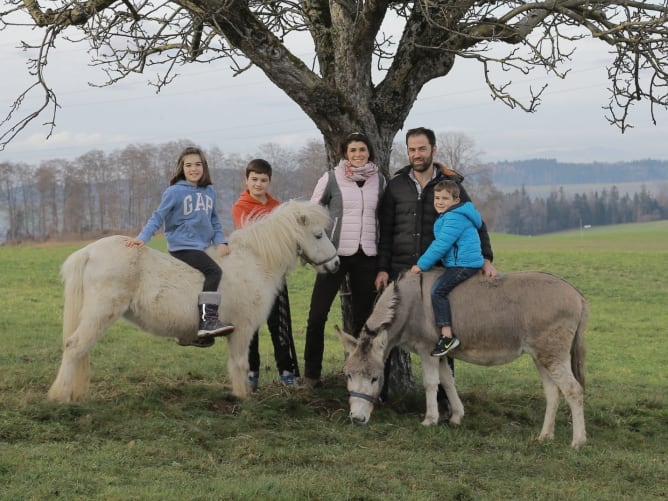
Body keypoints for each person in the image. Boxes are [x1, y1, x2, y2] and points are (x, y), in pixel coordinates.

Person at [374, 127, 496, 399]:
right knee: (390, 332)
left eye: (422, 149)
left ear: (433, 149)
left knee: (442, 327)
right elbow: (385, 232)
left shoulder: (451, 187)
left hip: (439, 269)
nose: (416, 154)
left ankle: (444, 398)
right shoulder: (396, 186)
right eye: (412, 150)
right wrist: (382, 268)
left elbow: (476, 222)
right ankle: (381, 393)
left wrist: (486, 258)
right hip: (401, 270)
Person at [125, 146, 234, 348]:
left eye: (198, 165)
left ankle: (190, 334)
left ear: (204, 167)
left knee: (202, 281)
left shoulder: (209, 191)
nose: (194, 169)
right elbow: (158, 216)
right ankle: (207, 320)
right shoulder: (174, 192)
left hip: (204, 247)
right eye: (189, 165)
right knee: (213, 272)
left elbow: (215, 220)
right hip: (182, 247)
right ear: (182, 168)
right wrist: (142, 238)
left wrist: (221, 241)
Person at [303, 132, 386, 388]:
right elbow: (311, 213)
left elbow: (385, 217)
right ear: (345, 154)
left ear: (369, 152)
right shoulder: (331, 178)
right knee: (317, 315)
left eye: (362, 149)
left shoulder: (380, 181)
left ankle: (360, 378)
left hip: (367, 256)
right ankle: (311, 375)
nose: (358, 154)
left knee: (363, 322)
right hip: (334, 255)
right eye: (353, 150)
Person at [231, 158, 299, 389]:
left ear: (269, 181)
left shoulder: (277, 207)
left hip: (276, 275)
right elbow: (250, 239)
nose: (258, 184)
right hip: (252, 278)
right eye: (254, 179)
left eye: (263, 180)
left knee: (279, 325)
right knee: (251, 325)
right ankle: (252, 373)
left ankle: (286, 371)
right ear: (246, 180)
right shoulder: (240, 206)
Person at [410, 180, 483, 356]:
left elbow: (441, 244)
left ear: (456, 200)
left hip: (463, 265)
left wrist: (421, 265)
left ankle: (447, 335)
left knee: (438, 292)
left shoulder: (454, 217)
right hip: (459, 263)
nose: (440, 202)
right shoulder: (451, 215)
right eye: (437, 198)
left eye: (445, 198)